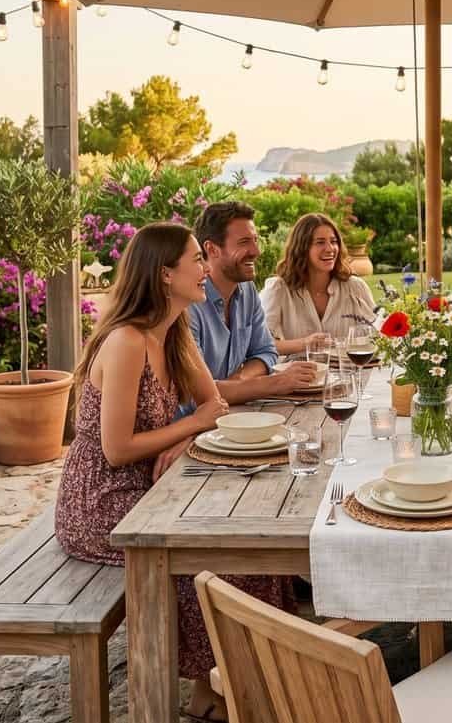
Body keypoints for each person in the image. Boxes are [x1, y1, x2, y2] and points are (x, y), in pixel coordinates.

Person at [54, 222, 294, 722]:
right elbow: (116, 450)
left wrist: (184, 436)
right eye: (195, 260)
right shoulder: (126, 341)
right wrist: (193, 426)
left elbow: (214, 404)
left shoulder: (175, 331)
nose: (205, 269)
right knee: (211, 559)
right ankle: (214, 691)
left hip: (153, 483)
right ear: (165, 274)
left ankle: (238, 682)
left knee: (253, 546)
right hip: (103, 500)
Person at [190, 201, 321, 401]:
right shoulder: (189, 304)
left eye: (255, 240)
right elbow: (198, 392)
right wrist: (276, 382)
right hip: (198, 418)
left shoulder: (247, 290)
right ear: (212, 249)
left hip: (235, 410)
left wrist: (239, 380)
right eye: (244, 242)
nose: (256, 251)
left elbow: (266, 351)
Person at [260, 213, 377, 355]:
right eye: (320, 242)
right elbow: (262, 345)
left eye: (333, 241)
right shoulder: (278, 289)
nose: (330, 248)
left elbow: (377, 335)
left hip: (349, 369)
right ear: (302, 248)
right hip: (297, 369)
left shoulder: (355, 287)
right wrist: (305, 344)